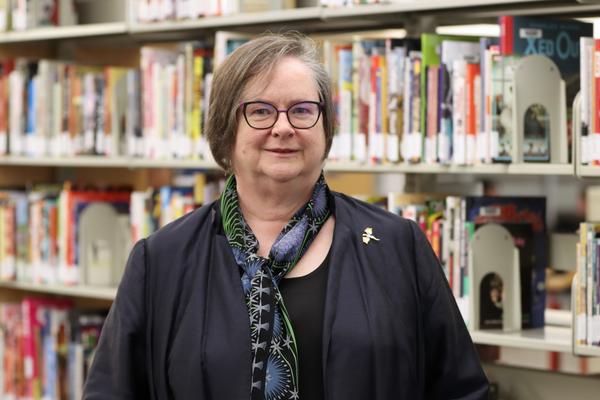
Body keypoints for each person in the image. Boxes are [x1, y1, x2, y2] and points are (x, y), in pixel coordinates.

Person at [83, 33, 488, 400]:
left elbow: (462, 391)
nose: (283, 127)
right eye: (260, 111)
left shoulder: (398, 246)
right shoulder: (162, 260)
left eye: (302, 110)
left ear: (326, 126)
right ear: (227, 129)